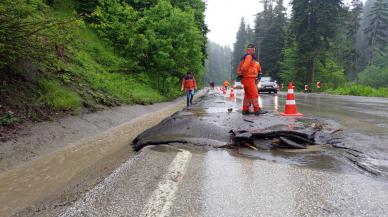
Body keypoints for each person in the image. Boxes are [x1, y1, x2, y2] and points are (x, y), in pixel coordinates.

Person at [237, 44, 266, 115]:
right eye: (254, 50)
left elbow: (242, 68)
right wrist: (244, 74)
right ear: (252, 50)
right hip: (249, 78)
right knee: (254, 95)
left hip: (246, 79)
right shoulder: (249, 56)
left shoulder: (245, 57)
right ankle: (257, 110)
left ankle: (245, 110)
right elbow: (244, 67)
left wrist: (241, 75)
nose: (254, 51)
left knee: (247, 96)